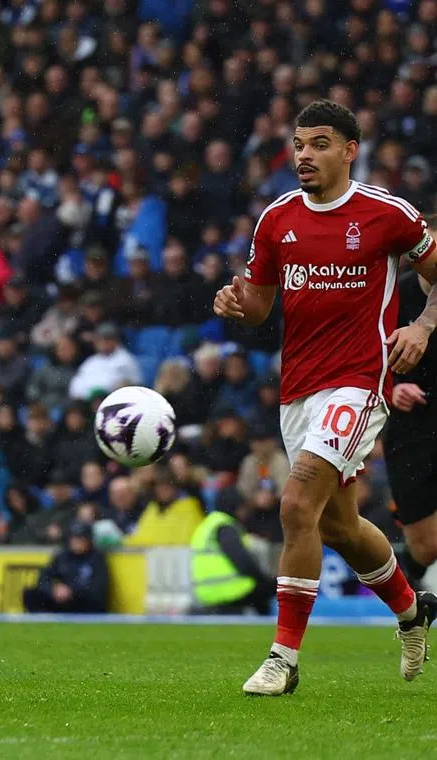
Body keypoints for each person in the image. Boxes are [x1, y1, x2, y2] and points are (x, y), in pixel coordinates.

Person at [214, 100, 437, 696]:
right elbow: (259, 305)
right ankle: (414, 611)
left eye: (317, 143)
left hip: (361, 381)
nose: (304, 155)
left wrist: (422, 325)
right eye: (297, 144)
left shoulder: (387, 214)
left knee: (294, 507)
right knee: (337, 525)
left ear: (348, 150)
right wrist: (234, 302)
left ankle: (282, 660)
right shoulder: (276, 219)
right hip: (299, 390)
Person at [385, 217, 437, 589]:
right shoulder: (394, 296)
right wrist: (391, 389)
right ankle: (408, 605)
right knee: (425, 545)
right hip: (411, 425)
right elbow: (366, 353)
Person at [190, 506, 276, 615]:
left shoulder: (206, 525)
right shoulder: (225, 526)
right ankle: (268, 625)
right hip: (231, 591)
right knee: (275, 586)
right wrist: (263, 579)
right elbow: (243, 562)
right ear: (237, 508)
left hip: (205, 593)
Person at [22, 522, 109, 614]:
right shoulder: (62, 556)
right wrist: (53, 589)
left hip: (80, 600)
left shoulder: (96, 558)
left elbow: (98, 587)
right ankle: (42, 621)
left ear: (88, 540)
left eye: (80, 539)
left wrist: (72, 590)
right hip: (61, 598)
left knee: (90, 600)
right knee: (30, 594)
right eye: (74, 539)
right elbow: (44, 577)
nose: (76, 543)